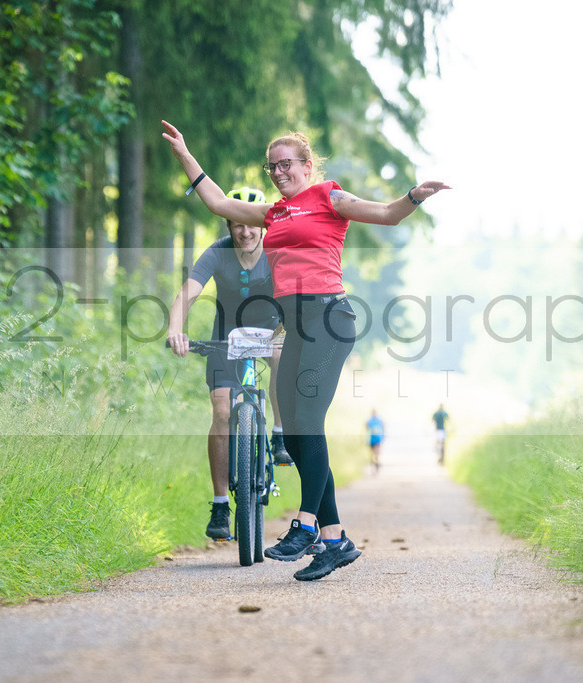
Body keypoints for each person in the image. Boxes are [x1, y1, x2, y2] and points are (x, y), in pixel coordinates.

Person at [162, 119, 450, 581]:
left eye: (287, 165)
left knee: (309, 422)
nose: (279, 173)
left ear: (307, 166)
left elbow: (387, 214)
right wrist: (184, 153)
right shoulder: (272, 215)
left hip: (329, 322)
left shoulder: (328, 197)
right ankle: (336, 540)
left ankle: (306, 523)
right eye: (272, 167)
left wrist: (413, 196)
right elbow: (217, 201)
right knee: (294, 436)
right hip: (293, 329)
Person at [167, 187, 292, 543]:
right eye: (237, 225)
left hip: (271, 331)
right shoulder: (217, 253)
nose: (245, 232)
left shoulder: (277, 251)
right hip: (226, 336)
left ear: (263, 224)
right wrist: (176, 329)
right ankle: (221, 504)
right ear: (228, 224)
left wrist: (294, 328)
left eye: (251, 224)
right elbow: (186, 293)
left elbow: (296, 294)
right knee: (221, 411)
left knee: (282, 354)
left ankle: (280, 435)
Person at [366, 409, 385, 474]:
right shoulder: (369, 421)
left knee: (376, 453)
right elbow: (367, 430)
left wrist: (382, 437)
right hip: (372, 440)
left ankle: (376, 464)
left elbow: (383, 429)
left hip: (377, 439)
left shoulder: (378, 421)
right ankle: (375, 464)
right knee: (373, 454)